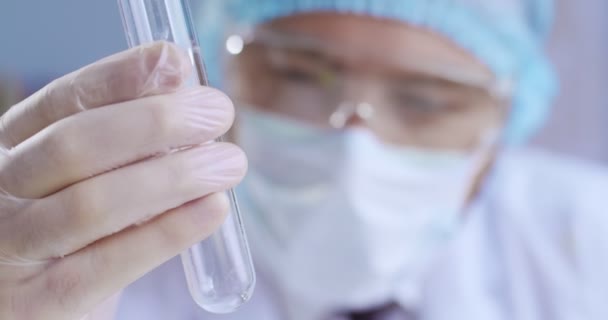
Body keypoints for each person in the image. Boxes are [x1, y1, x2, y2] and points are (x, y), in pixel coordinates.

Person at [1, 0, 607, 319]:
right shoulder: (90, 256)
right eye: (296, 75)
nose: (354, 148)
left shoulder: (587, 246)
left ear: (508, 117)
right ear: (218, 63)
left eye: (426, 101)